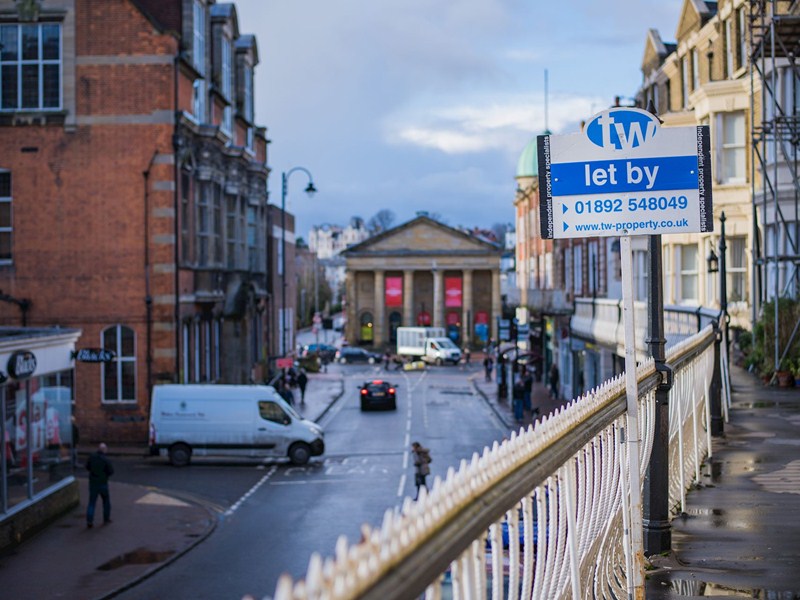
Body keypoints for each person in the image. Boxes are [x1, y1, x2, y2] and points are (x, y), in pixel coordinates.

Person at [86, 442, 114, 528]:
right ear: (104, 450)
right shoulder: (105, 459)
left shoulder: (92, 457)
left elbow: (87, 467)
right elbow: (111, 471)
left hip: (93, 483)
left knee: (92, 503)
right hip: (103, 483)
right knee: (106, 501)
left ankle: (89, 521)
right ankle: (106, 518)